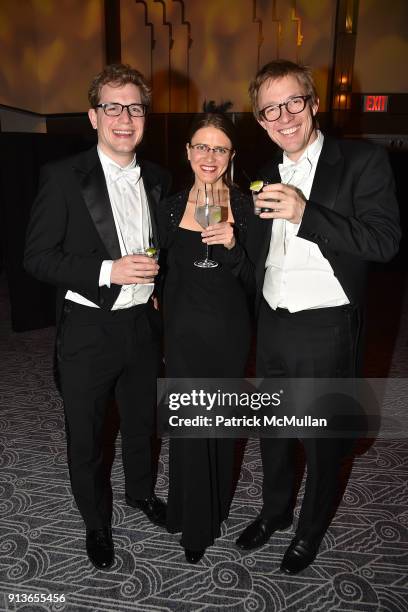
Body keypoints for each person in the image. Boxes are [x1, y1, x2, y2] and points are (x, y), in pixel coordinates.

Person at [235, 60, 400, 573]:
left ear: (313, 103)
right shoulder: (260, 173)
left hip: (327, 325)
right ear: (260, 120)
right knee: (276, 432)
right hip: (273, 323)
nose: (284, 117)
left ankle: (309, 531)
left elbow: (383, 242)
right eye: (270, 109)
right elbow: (257, 252)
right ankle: (275, 511)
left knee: (323, 439)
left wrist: (307, 213)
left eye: (293, 102)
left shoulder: (362, 161)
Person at [24, 64, 171, 570]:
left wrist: (159, 290)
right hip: (88, 329)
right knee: (85, 434)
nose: (124, 118)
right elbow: (37, 257)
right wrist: (109, 269)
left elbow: (163, 246)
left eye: (134, 107)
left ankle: (141, 495)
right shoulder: (62, 176)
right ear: (93, 115)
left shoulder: (156, 176)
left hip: (141, 327)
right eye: (113, 107)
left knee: (140, 422)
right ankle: (96, 524)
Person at [158, 113, 252, 563]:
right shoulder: (171, 205)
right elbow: (160, 265)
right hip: (182, 331)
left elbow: (258, 280)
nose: (209, 156)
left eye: (219, 148)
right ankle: (189, 515)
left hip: (229, 330)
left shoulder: (249, 207)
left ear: (231, 156)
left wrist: (232, 250)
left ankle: (205, 512)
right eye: (201, 146)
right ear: (188, 152)